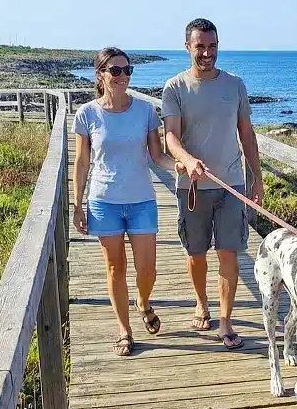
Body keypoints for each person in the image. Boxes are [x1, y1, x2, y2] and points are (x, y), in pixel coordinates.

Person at [71, 47, 204, 356]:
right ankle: (124, 330)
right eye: (115, 70)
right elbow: (81, 162)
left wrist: (179, 165)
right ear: (100, 75)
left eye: (127, 70)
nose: (122, 76)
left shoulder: (144, 110)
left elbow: (157, 155)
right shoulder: (87, 114)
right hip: (104, 201)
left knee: (148, 270)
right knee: (115, 268)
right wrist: (77, 204)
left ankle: (142, 301)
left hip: (142, 200)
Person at [162, 18, 264, 349]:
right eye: (200, 47)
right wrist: (188, 160)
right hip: (191, 187)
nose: (207, 53)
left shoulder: (235, 85)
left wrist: (256, 178)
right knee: (196, 254)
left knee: (228, 253)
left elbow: (246, 135)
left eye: (212, 46)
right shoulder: (174, 87)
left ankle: (225, 320)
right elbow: (171, 137)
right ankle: (201, 303)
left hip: (231, 185)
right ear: (187, 47)